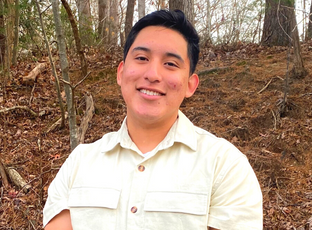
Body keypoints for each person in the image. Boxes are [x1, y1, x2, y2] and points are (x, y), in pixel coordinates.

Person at [43, 10, 263, 230]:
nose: (153, 74)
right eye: (141, 58)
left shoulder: (224, 165)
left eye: (170, 64)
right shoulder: (79, 163)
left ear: (190, 84)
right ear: (120, 73)